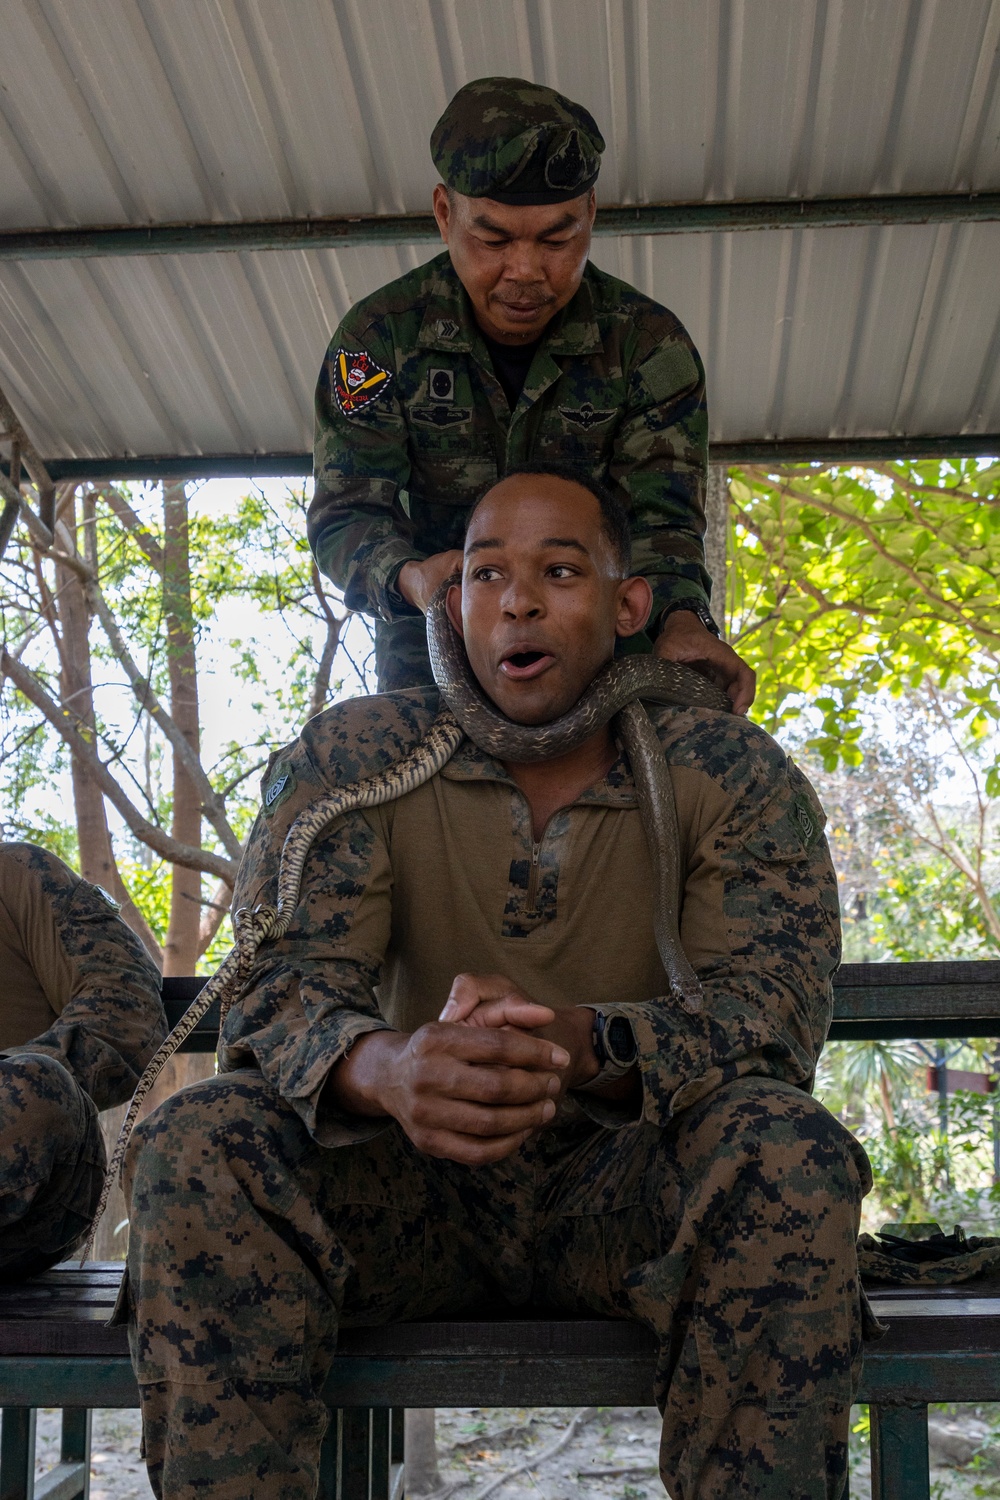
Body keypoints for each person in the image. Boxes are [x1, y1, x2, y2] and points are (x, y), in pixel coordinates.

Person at [125, 466, 867, 1500]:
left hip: (626, 1192)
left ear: (628, 605)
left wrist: (579, 1048)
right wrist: (387, 1068)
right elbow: (278, 988)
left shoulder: (725, 771)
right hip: (407, 1185)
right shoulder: (356, 756)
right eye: (485, 575)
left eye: (560, 572)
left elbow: (773, 1015)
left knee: (789, 1154)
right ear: (453, 603)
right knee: (201, 1140)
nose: (517, 600)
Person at [310, 75, 755, 710]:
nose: (525, 271)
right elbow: (347, 515)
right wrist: (413, 579)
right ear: (443, 213)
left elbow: (663, 523)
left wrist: (683, 619)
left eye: (556, 239)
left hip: (599, 673)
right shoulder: (378, 341)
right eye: (492, 240)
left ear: (591, 214)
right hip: (435, 671)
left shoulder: (648, 347)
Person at [0, 842, 165, 1278]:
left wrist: (23, 1071)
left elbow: (127, 1009)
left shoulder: (16, 874)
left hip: (27, 1190)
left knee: (34, 1086)